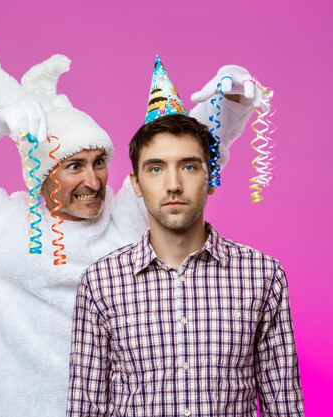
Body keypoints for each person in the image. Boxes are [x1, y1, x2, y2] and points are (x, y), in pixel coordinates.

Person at [0, 32, 264, 417]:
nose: (92, 181)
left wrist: (232, 96)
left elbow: (186, 153)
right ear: (42, 173)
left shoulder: (127, 217)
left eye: (99, 162)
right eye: (74, 165)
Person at [66, 114, 304, 416]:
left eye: (189, 167)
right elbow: (85, 407)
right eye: (156, 168)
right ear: (136, 184)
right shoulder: (101, 281)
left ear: (211, 179)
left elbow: (283, 404)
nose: (174, 185)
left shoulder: (262, 275)